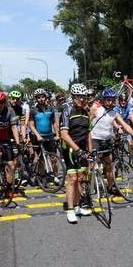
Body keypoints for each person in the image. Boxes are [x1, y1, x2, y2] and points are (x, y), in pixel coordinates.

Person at [89, 89, 133, 194]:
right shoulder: (95, 109)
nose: (110, 102)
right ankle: (89, 186)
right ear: (104, 100)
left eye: (112, 100)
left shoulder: (114, 113)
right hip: (95, 139)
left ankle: (110, 187)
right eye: (108, 100)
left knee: (110, 165)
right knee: (92, 164)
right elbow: (87, 124)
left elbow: (126, 126)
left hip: (107, 140)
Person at [60, 83, 92, 224]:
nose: (82, 99)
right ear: (72, 97)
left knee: (81, 178)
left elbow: (88, 133)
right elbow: (64, 135)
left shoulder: (86, 111)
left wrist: (90, 151)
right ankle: (70, 210)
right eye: (79, 96)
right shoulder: (67, 110)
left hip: (82, 148)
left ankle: (78, 207)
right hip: (70, 148)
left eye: (83, 96)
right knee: (72, 179)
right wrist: (78, 150)